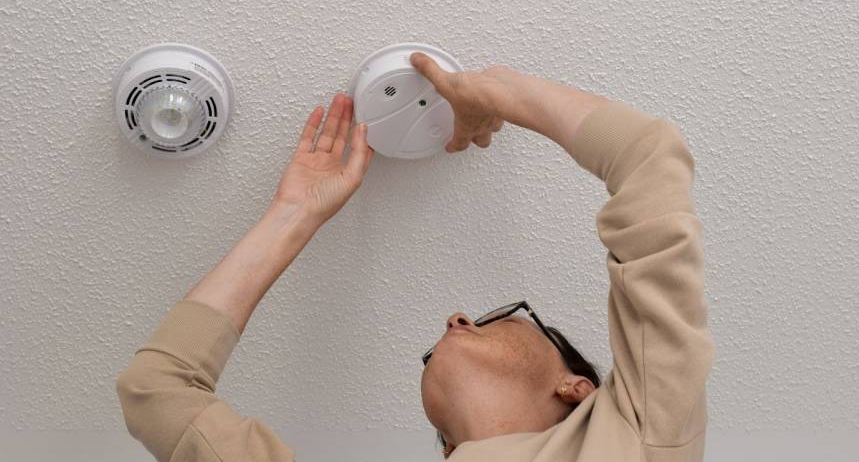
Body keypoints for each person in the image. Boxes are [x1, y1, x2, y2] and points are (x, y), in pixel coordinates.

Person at [116, 53, 715, 461]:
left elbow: (157, 390)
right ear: (579, 387)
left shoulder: (637, 441)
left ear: (577, 394)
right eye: (495, 317)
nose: (455, 318)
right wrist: (295, 212)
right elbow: (649, 161)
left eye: (475, 323)